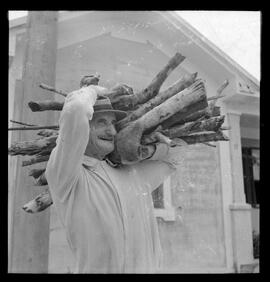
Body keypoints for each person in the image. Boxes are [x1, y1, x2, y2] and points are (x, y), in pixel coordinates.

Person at [45, 85, 178, 273]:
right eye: (101, 122)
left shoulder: (133, 174)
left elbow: (179, 152)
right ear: (83, 128)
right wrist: (93, 89)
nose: (112, 132)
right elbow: (77, 110)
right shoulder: (67, 174)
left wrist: (147, 151)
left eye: (113, 124)